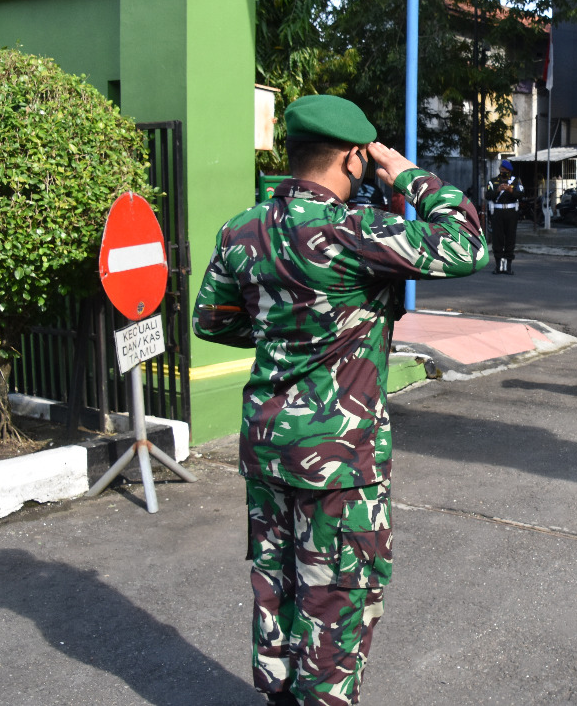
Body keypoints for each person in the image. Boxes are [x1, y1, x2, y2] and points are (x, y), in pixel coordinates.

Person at [191, 95, 488, 706]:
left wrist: (287, 329)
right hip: (339, 457)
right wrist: (405, 171)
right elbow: (468, 245)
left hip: (269, 448)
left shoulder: (242, 228)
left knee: (277, 585)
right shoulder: (355, 233)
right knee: (338, 596)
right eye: (365, 157)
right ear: (353, 158)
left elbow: (211, 321)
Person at [486, 159, 524, 275]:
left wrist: (511, 190)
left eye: (506, 171)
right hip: (497, 212)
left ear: (509, 171)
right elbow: (488, 195)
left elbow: (521, 194)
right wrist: (498, 191)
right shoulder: (493, 182)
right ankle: (498, 266)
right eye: (502, 170)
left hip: (511, 212)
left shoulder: (516, 181)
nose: (503, 172)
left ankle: (508, 266)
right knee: (497, 238)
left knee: (510, 238)